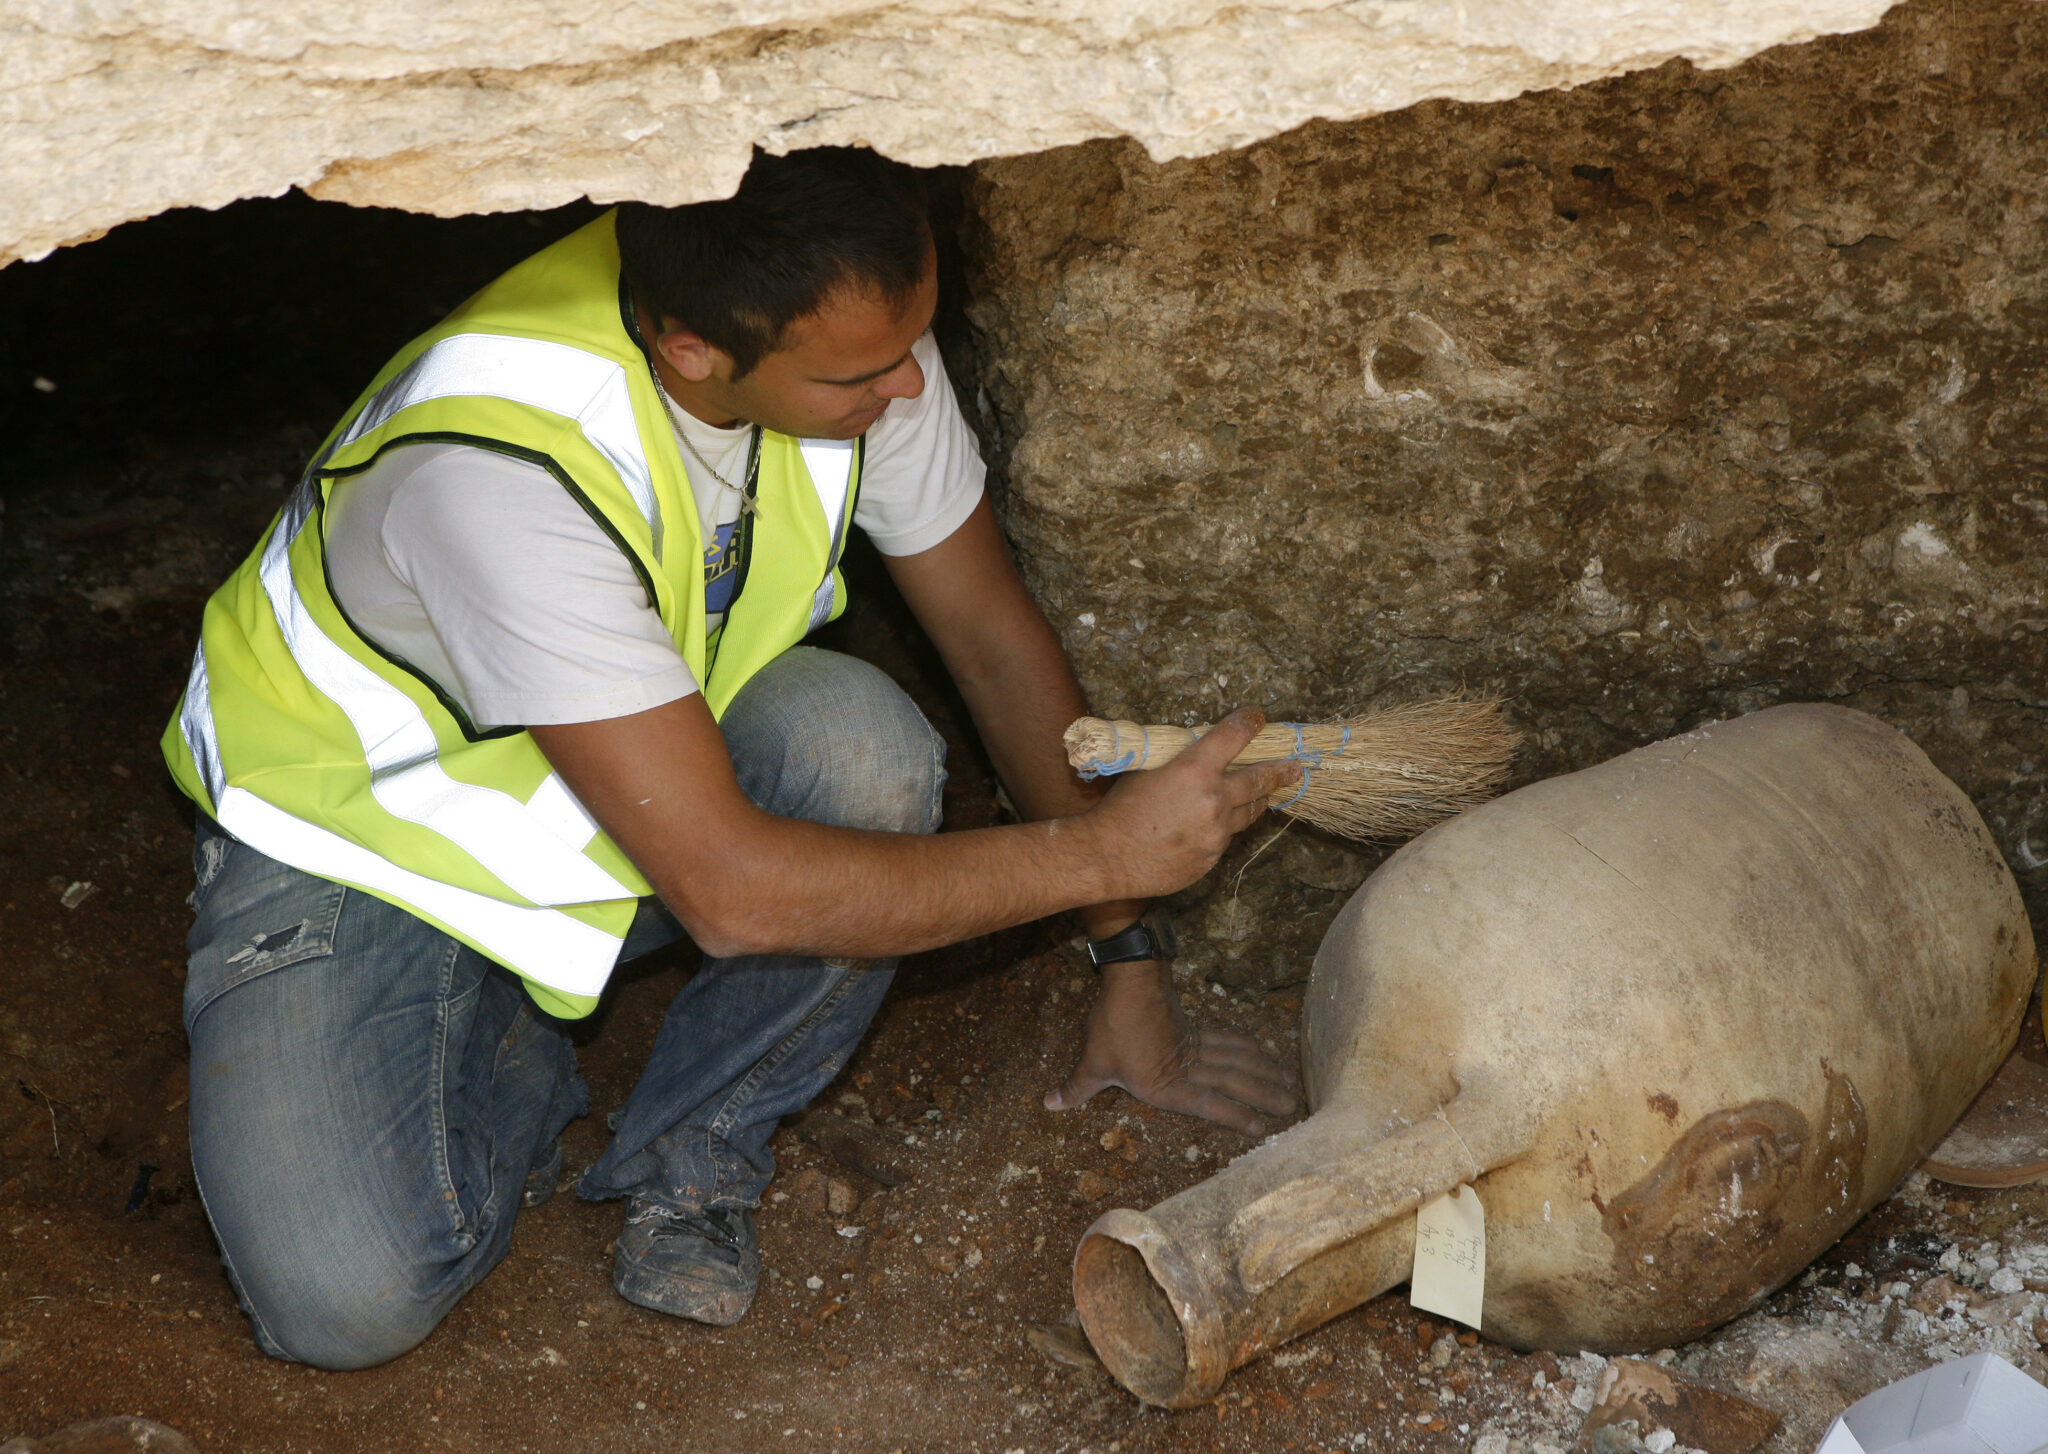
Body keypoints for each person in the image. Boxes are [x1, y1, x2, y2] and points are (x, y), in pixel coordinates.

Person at [161, 146, 1300, 1371]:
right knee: (348, 1300)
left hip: (633, 765)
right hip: (367, 833)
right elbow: (737, 892)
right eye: (861, 373)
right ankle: (486, 1026)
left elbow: (986, 635)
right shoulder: (501, 472)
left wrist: (1126, 948)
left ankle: (690, 1151)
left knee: (860, 750)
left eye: (916, 339)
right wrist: (1101, 847)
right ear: (692, 348)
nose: (909, 387)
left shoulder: (827, 317)